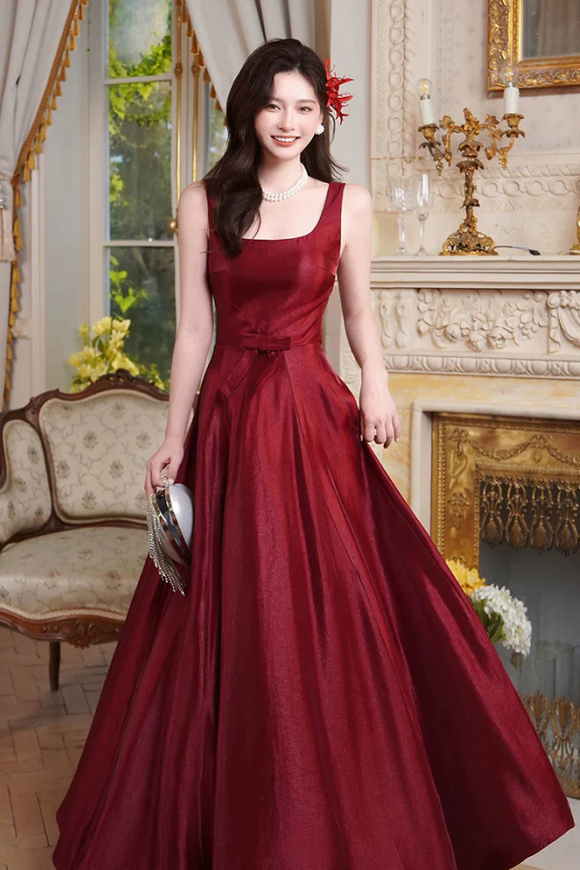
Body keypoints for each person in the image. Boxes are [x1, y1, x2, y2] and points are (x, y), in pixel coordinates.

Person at [52, 38, 574, 870]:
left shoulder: (347, 203)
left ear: (322, 114)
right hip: (226, 420)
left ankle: (332, 808)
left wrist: (376, 383)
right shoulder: (203, 201)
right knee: (218, 611)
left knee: (327, 610)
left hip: (307, 417)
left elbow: (359, 315)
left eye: (304, 108)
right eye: (273, 106)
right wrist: (173, 435)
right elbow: (193, 331)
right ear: (247, 111)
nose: (288, 122)